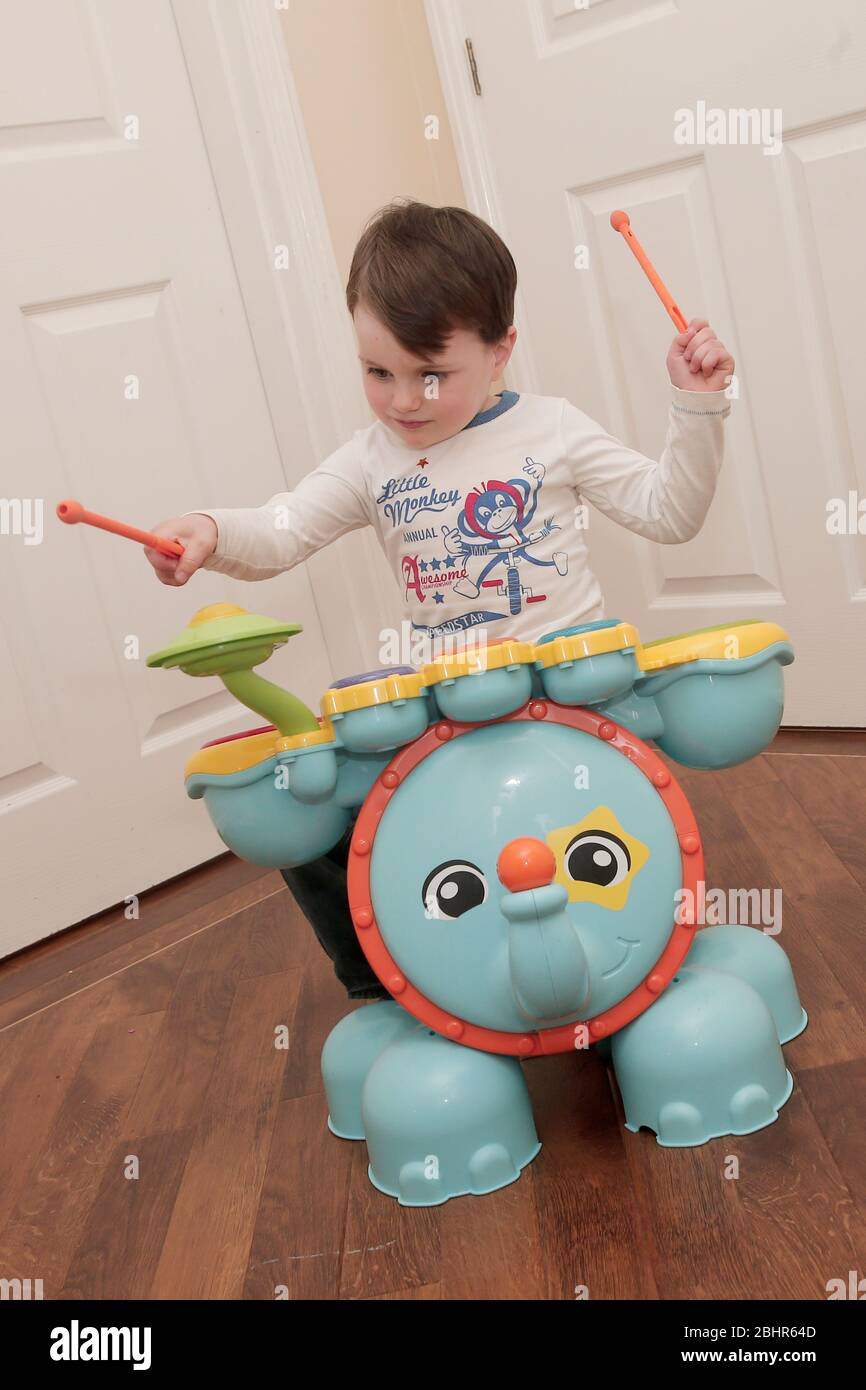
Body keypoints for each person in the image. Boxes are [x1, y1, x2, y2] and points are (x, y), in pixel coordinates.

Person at [144, 198, 735, 1002]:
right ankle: (383, 990)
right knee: (312, 795)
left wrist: (697, 407)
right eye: (376, 372)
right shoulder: (371, 461)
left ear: (501, 351)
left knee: (594, 846)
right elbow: (283, 530)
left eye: (431, 374)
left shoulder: (553, 429)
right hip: (454, 710)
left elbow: (670, 511)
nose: (402, 401)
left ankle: (631, 960)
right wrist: (211, 531)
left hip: (575, 700)